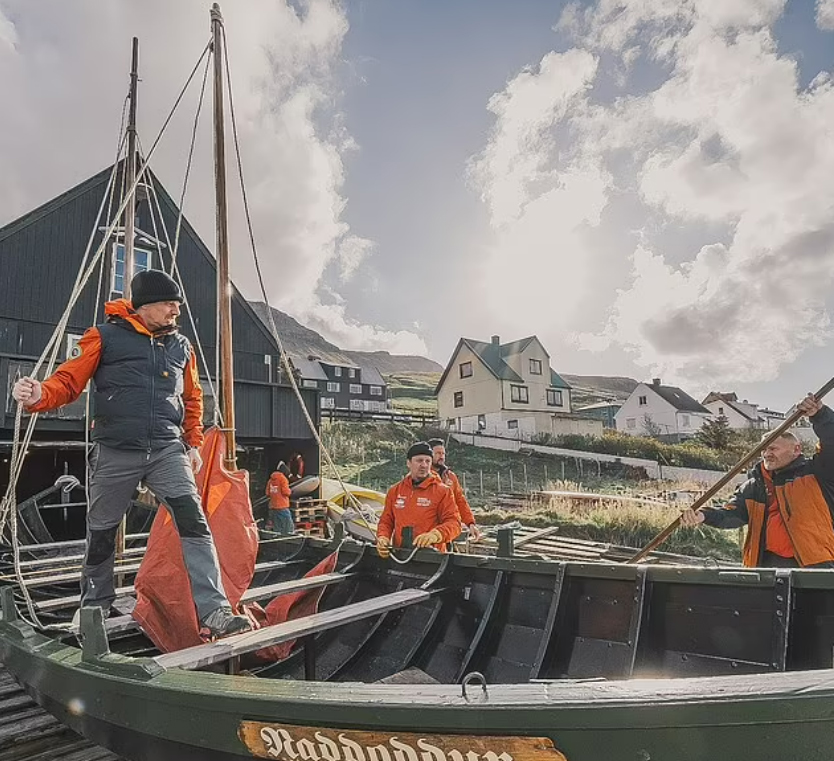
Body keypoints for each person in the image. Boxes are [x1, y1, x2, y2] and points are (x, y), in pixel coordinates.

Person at [12, 270, 251, 637]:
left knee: (193, 521)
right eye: (169, 303)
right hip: (115, 452)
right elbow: (68, 380)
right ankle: (94, 606)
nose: (176, 310)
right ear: (145, 306)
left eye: (177, 304)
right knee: (102, 531)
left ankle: (214, 610)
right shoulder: (103, 337)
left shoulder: (181, 347)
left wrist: (194, 443)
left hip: (167, 449)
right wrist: (38, 395)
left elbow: (192, 398)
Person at [679, 394, 834, 568]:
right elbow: (731, 514)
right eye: (763, 449)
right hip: (763, 566)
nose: (767, 454)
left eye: (773, 448)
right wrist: (703, 515)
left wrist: (819, 415)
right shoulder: (754, 486)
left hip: (814, 566)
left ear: (796, 449)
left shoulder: (818, 473)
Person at [376, 441, 462, 558]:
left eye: (428, 461)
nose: (424, 465)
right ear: (409, 463)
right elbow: (386, 521)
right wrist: (383, 537)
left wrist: (436, 534)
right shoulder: (395, 491)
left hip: (432, 559)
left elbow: (454, 523)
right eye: (419, 461)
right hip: (400, 556)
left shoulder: (443, 492)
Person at [427, 438, 482, 541]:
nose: (442, 456)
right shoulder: (421, 477)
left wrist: (470, 523)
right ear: (429, 455)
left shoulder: (451, 477)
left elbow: (460, 500)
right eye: (438, 453)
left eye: (443, 453)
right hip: (427, 531)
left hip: (447, 530)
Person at [265, 461, 294, 534]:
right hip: (282, 506)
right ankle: (290, 539)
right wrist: (290, 491)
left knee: (277, 527)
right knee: (288, 526)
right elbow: (285, 492)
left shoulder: (270, 480)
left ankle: (278, 540)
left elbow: (267, 493)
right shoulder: (283, 479)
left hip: (273, 506)